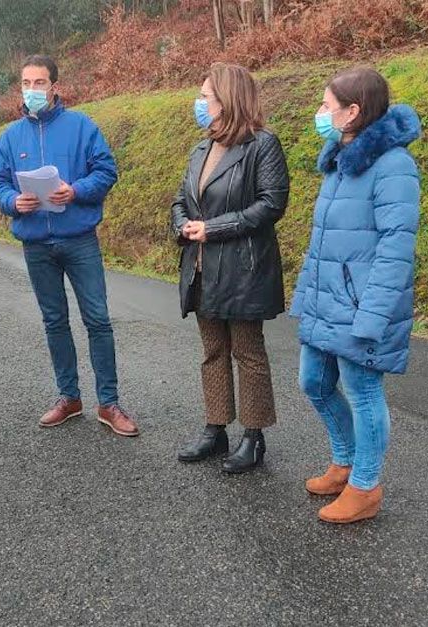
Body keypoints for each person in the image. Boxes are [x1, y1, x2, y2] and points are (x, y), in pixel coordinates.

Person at [289, 67, 421, 524]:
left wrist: (373, 316)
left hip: (362, 306)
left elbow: (395, 248)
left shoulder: (393, 165)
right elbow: (324, 242)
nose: (320, 114)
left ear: (353, 112)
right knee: (314, 382)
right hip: (328, 302)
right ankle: (344, 461)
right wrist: (307, 294)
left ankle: (365, 486)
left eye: (326, 106)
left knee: (363, 393)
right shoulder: (341, 160)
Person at [0, 55, 139, 437]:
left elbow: (106, 171)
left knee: (98, 320)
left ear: (55, 86)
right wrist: (11, 202)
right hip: (37, 244)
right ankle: (69, 397)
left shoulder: (82, 127)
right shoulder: (10, 137)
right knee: (54, 321)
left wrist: (76, 190)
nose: (32, 90)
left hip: (79, 239)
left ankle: (109, 403)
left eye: (40, 83)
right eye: (26, 83)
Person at [170, 63, 290, 473]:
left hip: (243, 270)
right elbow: (180, 200)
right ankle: (215, 429)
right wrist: (182, 225)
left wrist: (214, 229)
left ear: (228, 99)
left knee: (247, 352)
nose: (199, 103)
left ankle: (253, 437)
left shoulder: (262, 144)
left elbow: (271, 204)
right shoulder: (201, 148)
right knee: (212, 351)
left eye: (206, 96)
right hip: (201, 267)